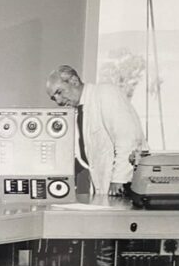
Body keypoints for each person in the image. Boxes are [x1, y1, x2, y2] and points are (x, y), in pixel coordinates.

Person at [45, 65, 148, 197]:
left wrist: (119, 180)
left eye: (59, 92)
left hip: (125, 187)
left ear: (74, 81)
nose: (58, 101)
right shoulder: (79, 111)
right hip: (106, 191)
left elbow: (128, 139)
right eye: (53, 98)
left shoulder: (105, 93)